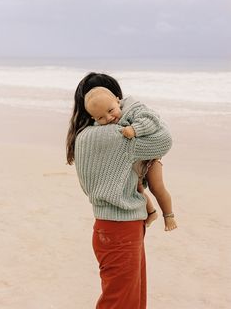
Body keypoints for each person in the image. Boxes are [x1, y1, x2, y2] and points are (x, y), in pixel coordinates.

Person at [66, 72, 173, 309]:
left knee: (128, 299)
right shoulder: (117, 136)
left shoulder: (83, 136)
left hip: (110, 227)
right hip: (121, 230)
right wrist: (132, 104)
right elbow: (165, 139)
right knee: (123, 303)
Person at [84, 86, 177, 230]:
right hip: (133, 161)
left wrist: (135, 129)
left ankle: (169, 216)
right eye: (101, 117)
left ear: (117, 101)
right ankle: (151, 212)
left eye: (110, 111)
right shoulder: (101, 124)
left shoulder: (134, 109)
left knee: (156, 187)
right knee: (136, 189)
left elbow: (152, 120)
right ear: (94, 118)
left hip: (150, 158)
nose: (109, 118)